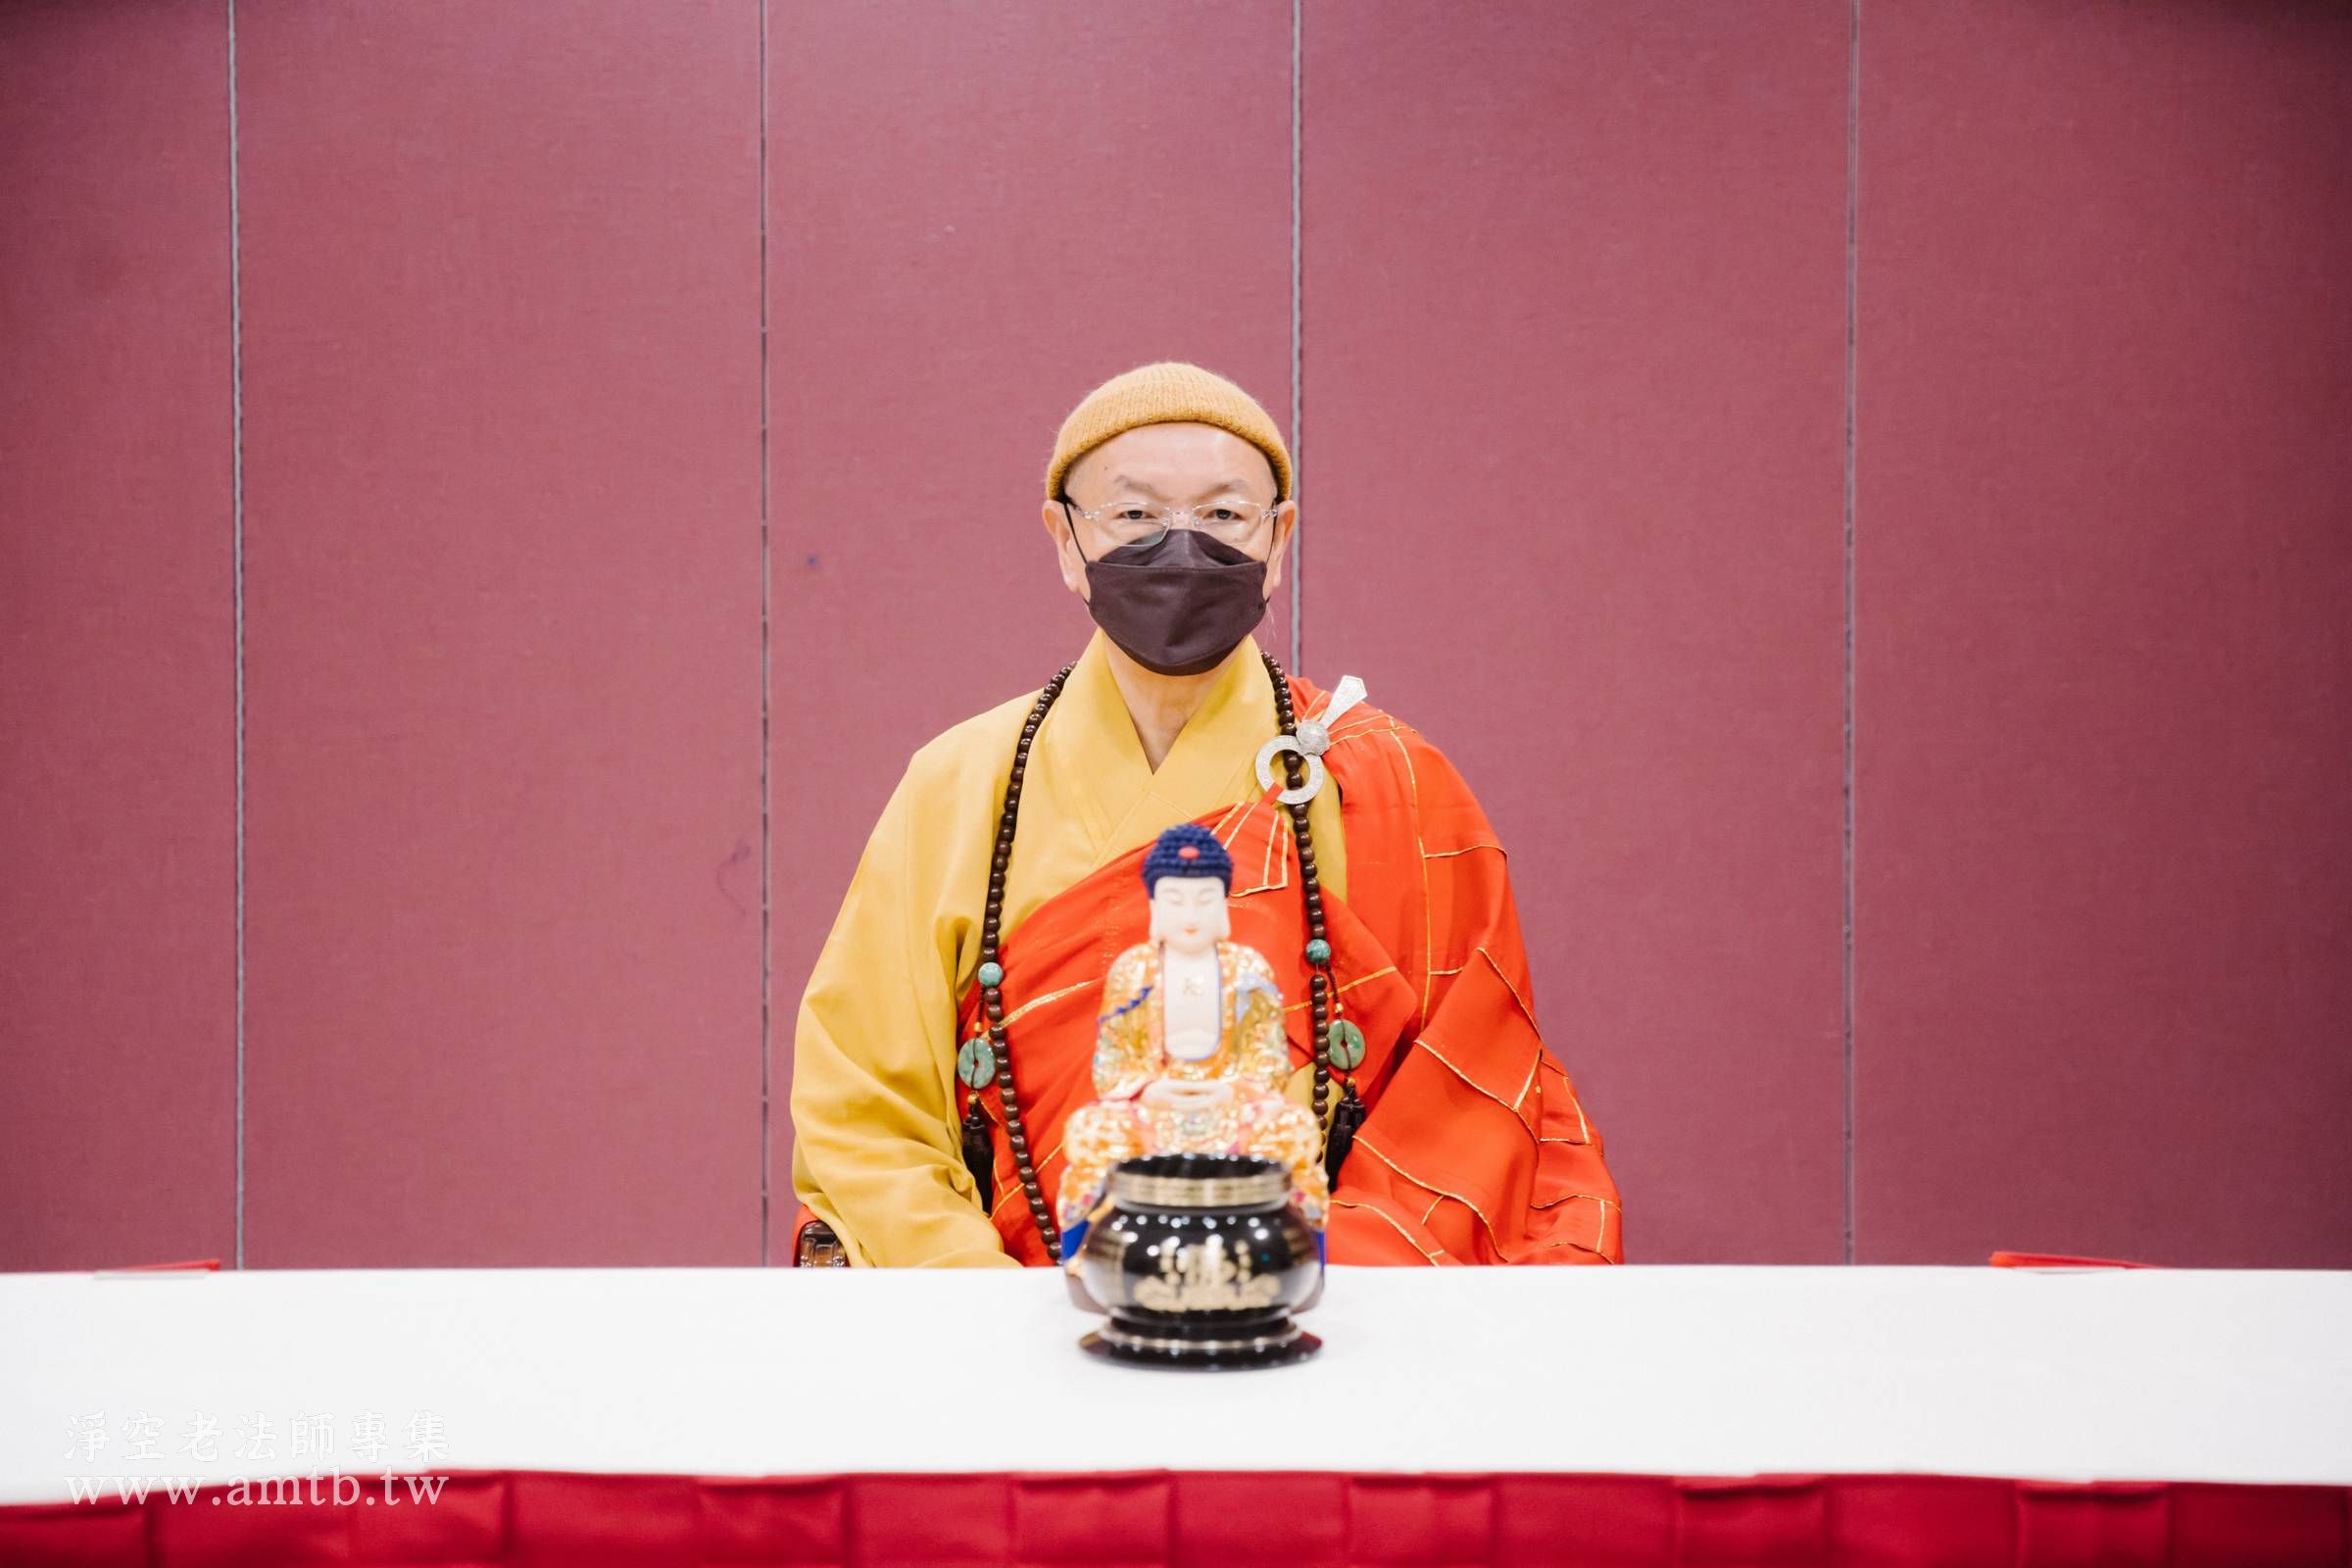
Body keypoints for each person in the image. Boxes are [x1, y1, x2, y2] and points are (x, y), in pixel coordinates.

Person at [788, 361, 1622, 1267]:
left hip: (1316, 1309)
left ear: (1279, 538)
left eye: (1224, 515)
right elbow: (865, 1110)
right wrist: (996, 1309)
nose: (1181, 549)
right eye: (1134, 515)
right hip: (1011, 1317)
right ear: (1066, 541)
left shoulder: (1387, 785)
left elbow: (1470, 1092)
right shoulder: (960, 785)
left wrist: (1305, 1296)